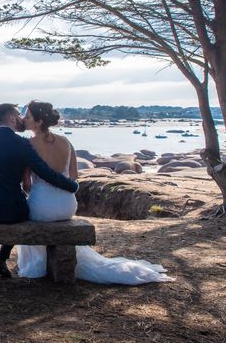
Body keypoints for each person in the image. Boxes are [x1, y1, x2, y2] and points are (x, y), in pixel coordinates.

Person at [16, 101, 175, 284]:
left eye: (27, 116)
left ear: (38, 122)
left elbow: (27, 185)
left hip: (43, 207)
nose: (23, 119)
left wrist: (35, 193)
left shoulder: (29, 145)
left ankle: (36, 265)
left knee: (26, 213)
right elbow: (73, 176)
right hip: (68, 206)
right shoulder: (66, 142)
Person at [0, 103, 79, 277]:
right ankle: (1, 259)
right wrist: (71, 186)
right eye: (19, 116)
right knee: (21, 214)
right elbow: (44, 172)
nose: (22, 119)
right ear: (12, 118)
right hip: (13, 211)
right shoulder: (22, 144)